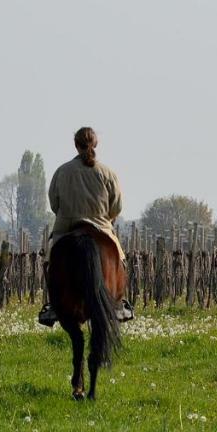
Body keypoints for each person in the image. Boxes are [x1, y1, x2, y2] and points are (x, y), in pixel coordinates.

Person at [38, 127, 135, 326]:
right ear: (95, 144)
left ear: (76, 145)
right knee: (121, 259)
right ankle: (118, 303)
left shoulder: (62, 171)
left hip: (67, 227)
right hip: (101, 226)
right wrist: (106, 218)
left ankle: (53, 305)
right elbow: (117, 206)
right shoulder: (108, 173)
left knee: (49, 261)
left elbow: (54, 204)